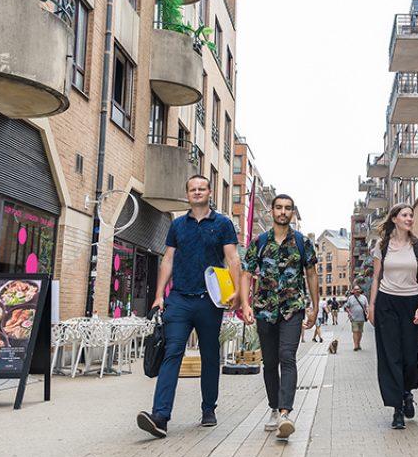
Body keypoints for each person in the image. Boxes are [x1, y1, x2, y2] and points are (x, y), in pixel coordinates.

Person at [137, 175, 241, 438]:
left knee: (209, 355)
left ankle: (208, 409)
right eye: (193, 189)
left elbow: (232, 258)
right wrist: (160, 294)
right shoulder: (178, 225)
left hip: (210, 300)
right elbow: (168, 260)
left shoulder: (223, 224)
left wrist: (238, 292)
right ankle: (160, 415)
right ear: (187, 194)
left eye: (201, 188)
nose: (197, 192)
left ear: (209, 192)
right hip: (180, 299)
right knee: (172, 352)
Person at [241, 194, 320, 441]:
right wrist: (245, 304)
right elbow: (246, 274)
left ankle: (286, 413)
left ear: (292, 213)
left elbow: (311, 274)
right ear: (272, 212)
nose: (283, 212)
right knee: (270, 362)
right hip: (264, 309)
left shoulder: (301, 242)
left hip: (292, 309)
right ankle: (274, 409)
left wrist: (315, 307)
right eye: (279, 207)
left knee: (287, 357)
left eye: (287, 208)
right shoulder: (259, 242)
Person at [367, 203, 418, 429]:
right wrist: (372, 306)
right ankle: (397, 409)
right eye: (405, 215)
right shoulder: (382, 246)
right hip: (386, 303)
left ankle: (407, 392)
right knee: (390, 355)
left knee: (410, 355)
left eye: (411, 215)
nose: (409, 218)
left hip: (411, 302)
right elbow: (376, 278)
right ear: (394, 218)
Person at [344, 286, 369, 351]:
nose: (357, 290)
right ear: (353, 291)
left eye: (358, 289)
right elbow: (347, 307)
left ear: (360, 290)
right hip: (353, 318)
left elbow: (366, 307)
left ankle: (358, 344)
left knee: (360, 332)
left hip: (362, 318)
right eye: (355, 289)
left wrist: (368, 313)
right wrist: (349, 312)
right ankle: (355, 345)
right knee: (355, 331)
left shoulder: (364, 298)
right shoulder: (350, 298)